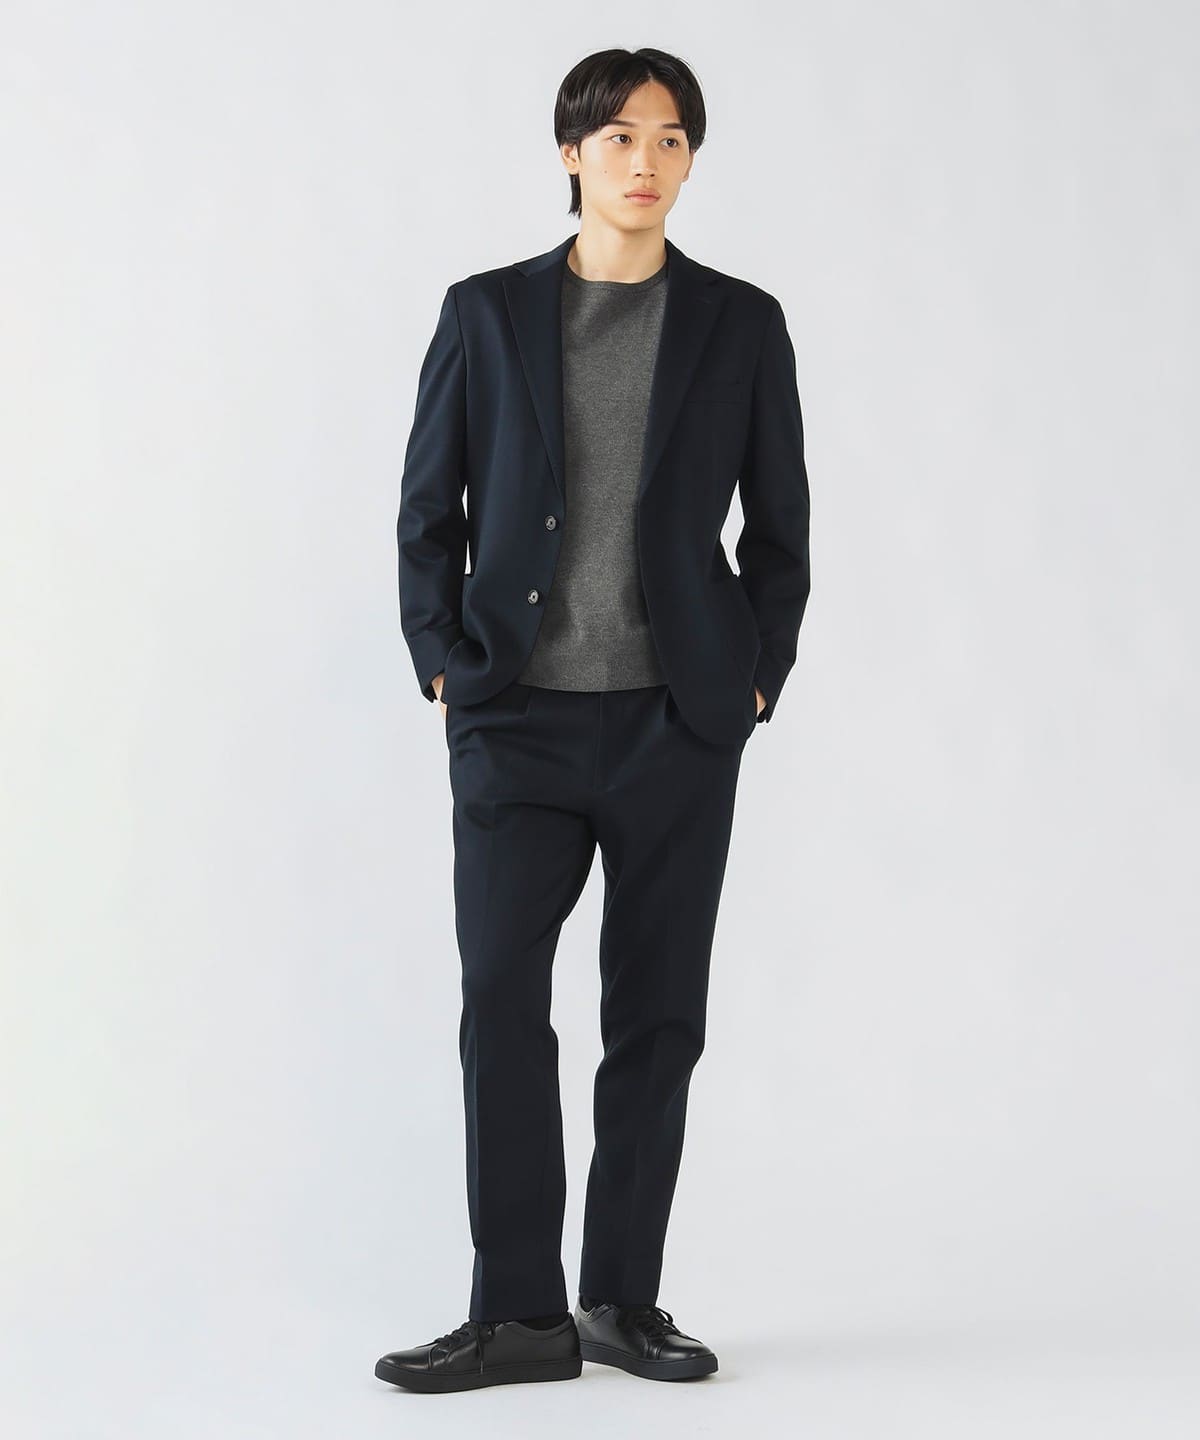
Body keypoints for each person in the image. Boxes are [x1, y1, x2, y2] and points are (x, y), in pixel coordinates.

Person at [376, 45, 810, 1394]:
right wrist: (445, 663)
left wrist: (754, 681)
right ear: (571, 154)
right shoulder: (487, 314)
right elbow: (428, 509)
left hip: (679, 722)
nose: (645, 161)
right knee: (501, 1002)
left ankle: (622, 1297)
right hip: (517, 722)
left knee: (658, 1017)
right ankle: (521, 1314)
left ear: (690, 161)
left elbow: (780, 532)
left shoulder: (741, 324)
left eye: (670, 139)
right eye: (620, 137)